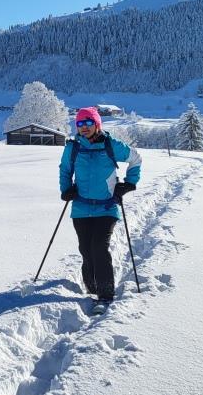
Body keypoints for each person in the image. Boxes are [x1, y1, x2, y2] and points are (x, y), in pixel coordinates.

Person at [58, 106, 142, 314]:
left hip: (106, 207)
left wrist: (129, 184)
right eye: (80, 123)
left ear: (97, 124)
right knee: (86, 250)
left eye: (88, 123)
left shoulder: (111, 145)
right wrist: (66, 189)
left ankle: (105, 295)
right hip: (81, 207)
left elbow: (135, 159)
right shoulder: (73, 148)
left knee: (99, 248)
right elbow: (65, 170)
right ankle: (92, 286)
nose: (84, 127)